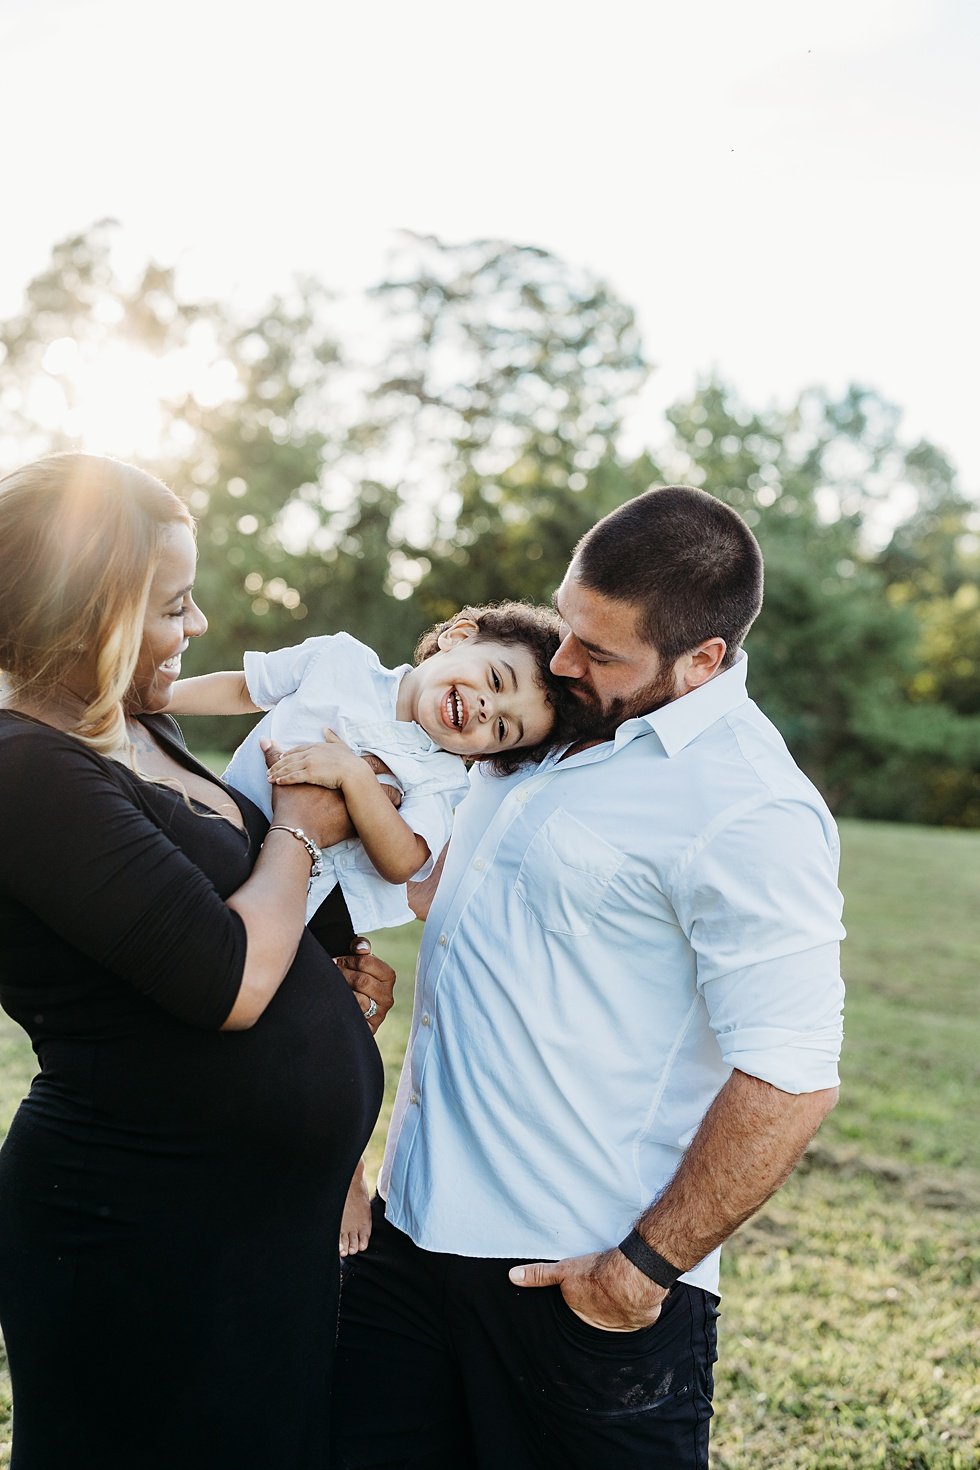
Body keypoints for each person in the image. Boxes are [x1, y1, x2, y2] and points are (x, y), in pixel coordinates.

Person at [331, 486, 846, 1470]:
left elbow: (787, 1074)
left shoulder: (748, 807)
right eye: (566, 625)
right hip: (407, 1243)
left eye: (598, 652)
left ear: (701, 662)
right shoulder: (532, 717)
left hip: (571, 1285)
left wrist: (636, 1274)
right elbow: (464, 887)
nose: (562, 661)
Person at [0, 452, 396, 1470]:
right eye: (175, 605)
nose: (200, 628)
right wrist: (300, 831)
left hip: (252, 1227)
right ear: (96, 614)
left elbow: (229, 918)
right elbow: (224, 979)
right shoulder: (24, 767)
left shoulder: (138, 726)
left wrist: (325, 974)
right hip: (138, 1224)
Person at [169, 603, 571, 1253]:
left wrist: (355, 778)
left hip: (316, 911)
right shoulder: (340, 658)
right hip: (223, 838)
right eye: (495, 681)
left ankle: (343, 1170)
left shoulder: (442, 781)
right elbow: (247, 687)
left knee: (325, 1053)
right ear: (457, 636)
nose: (484, 713)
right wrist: (149, 697)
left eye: (503, 729)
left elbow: (406, 859)